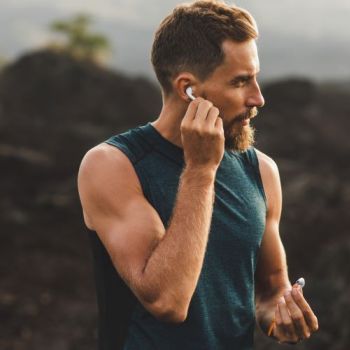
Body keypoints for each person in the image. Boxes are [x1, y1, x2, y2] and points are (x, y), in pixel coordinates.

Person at [77, 1, 318, 349]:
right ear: (188, 89)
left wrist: (281, 316)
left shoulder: (261, 170)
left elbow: (269, 290)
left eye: (256, 78)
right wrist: (200, 170)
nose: (258, 98)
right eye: (240, 82)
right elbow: (167, 301)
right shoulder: (112, 166)